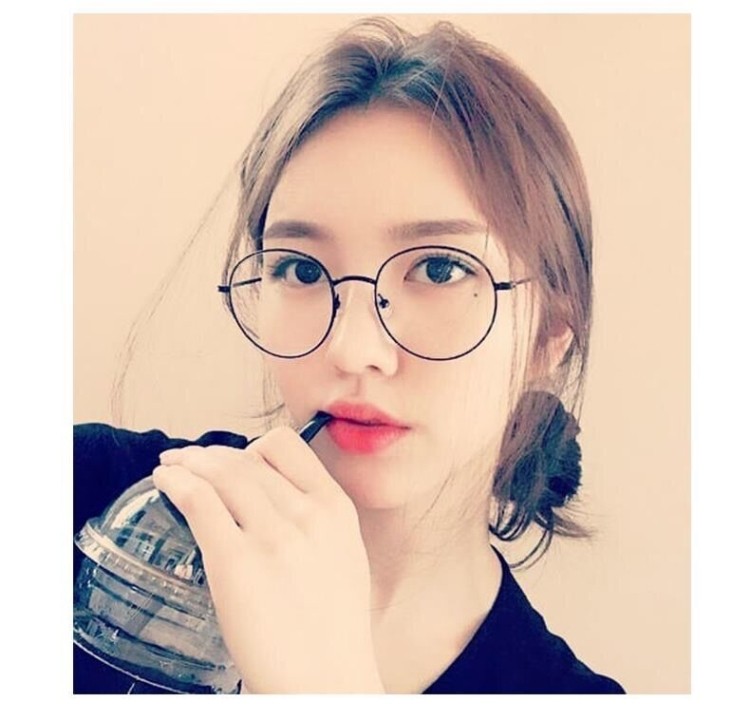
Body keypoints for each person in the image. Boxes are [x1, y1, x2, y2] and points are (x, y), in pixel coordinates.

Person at [73, 16, 625, 694]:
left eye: (440, 269)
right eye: (302, 270)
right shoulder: (85, 496)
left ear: (549, 332)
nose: (353, 349)